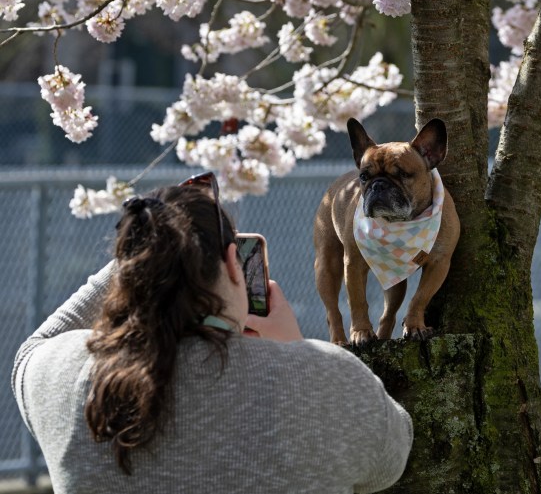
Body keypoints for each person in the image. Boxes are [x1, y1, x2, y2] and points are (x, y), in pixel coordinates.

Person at [12, 174, 413, 494]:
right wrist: (297, 351)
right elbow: (391, 459)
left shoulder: (64, 380)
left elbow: (32, 350)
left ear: (131, 271)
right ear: (234, 265)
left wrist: (147, 246)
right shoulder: (329, 379)